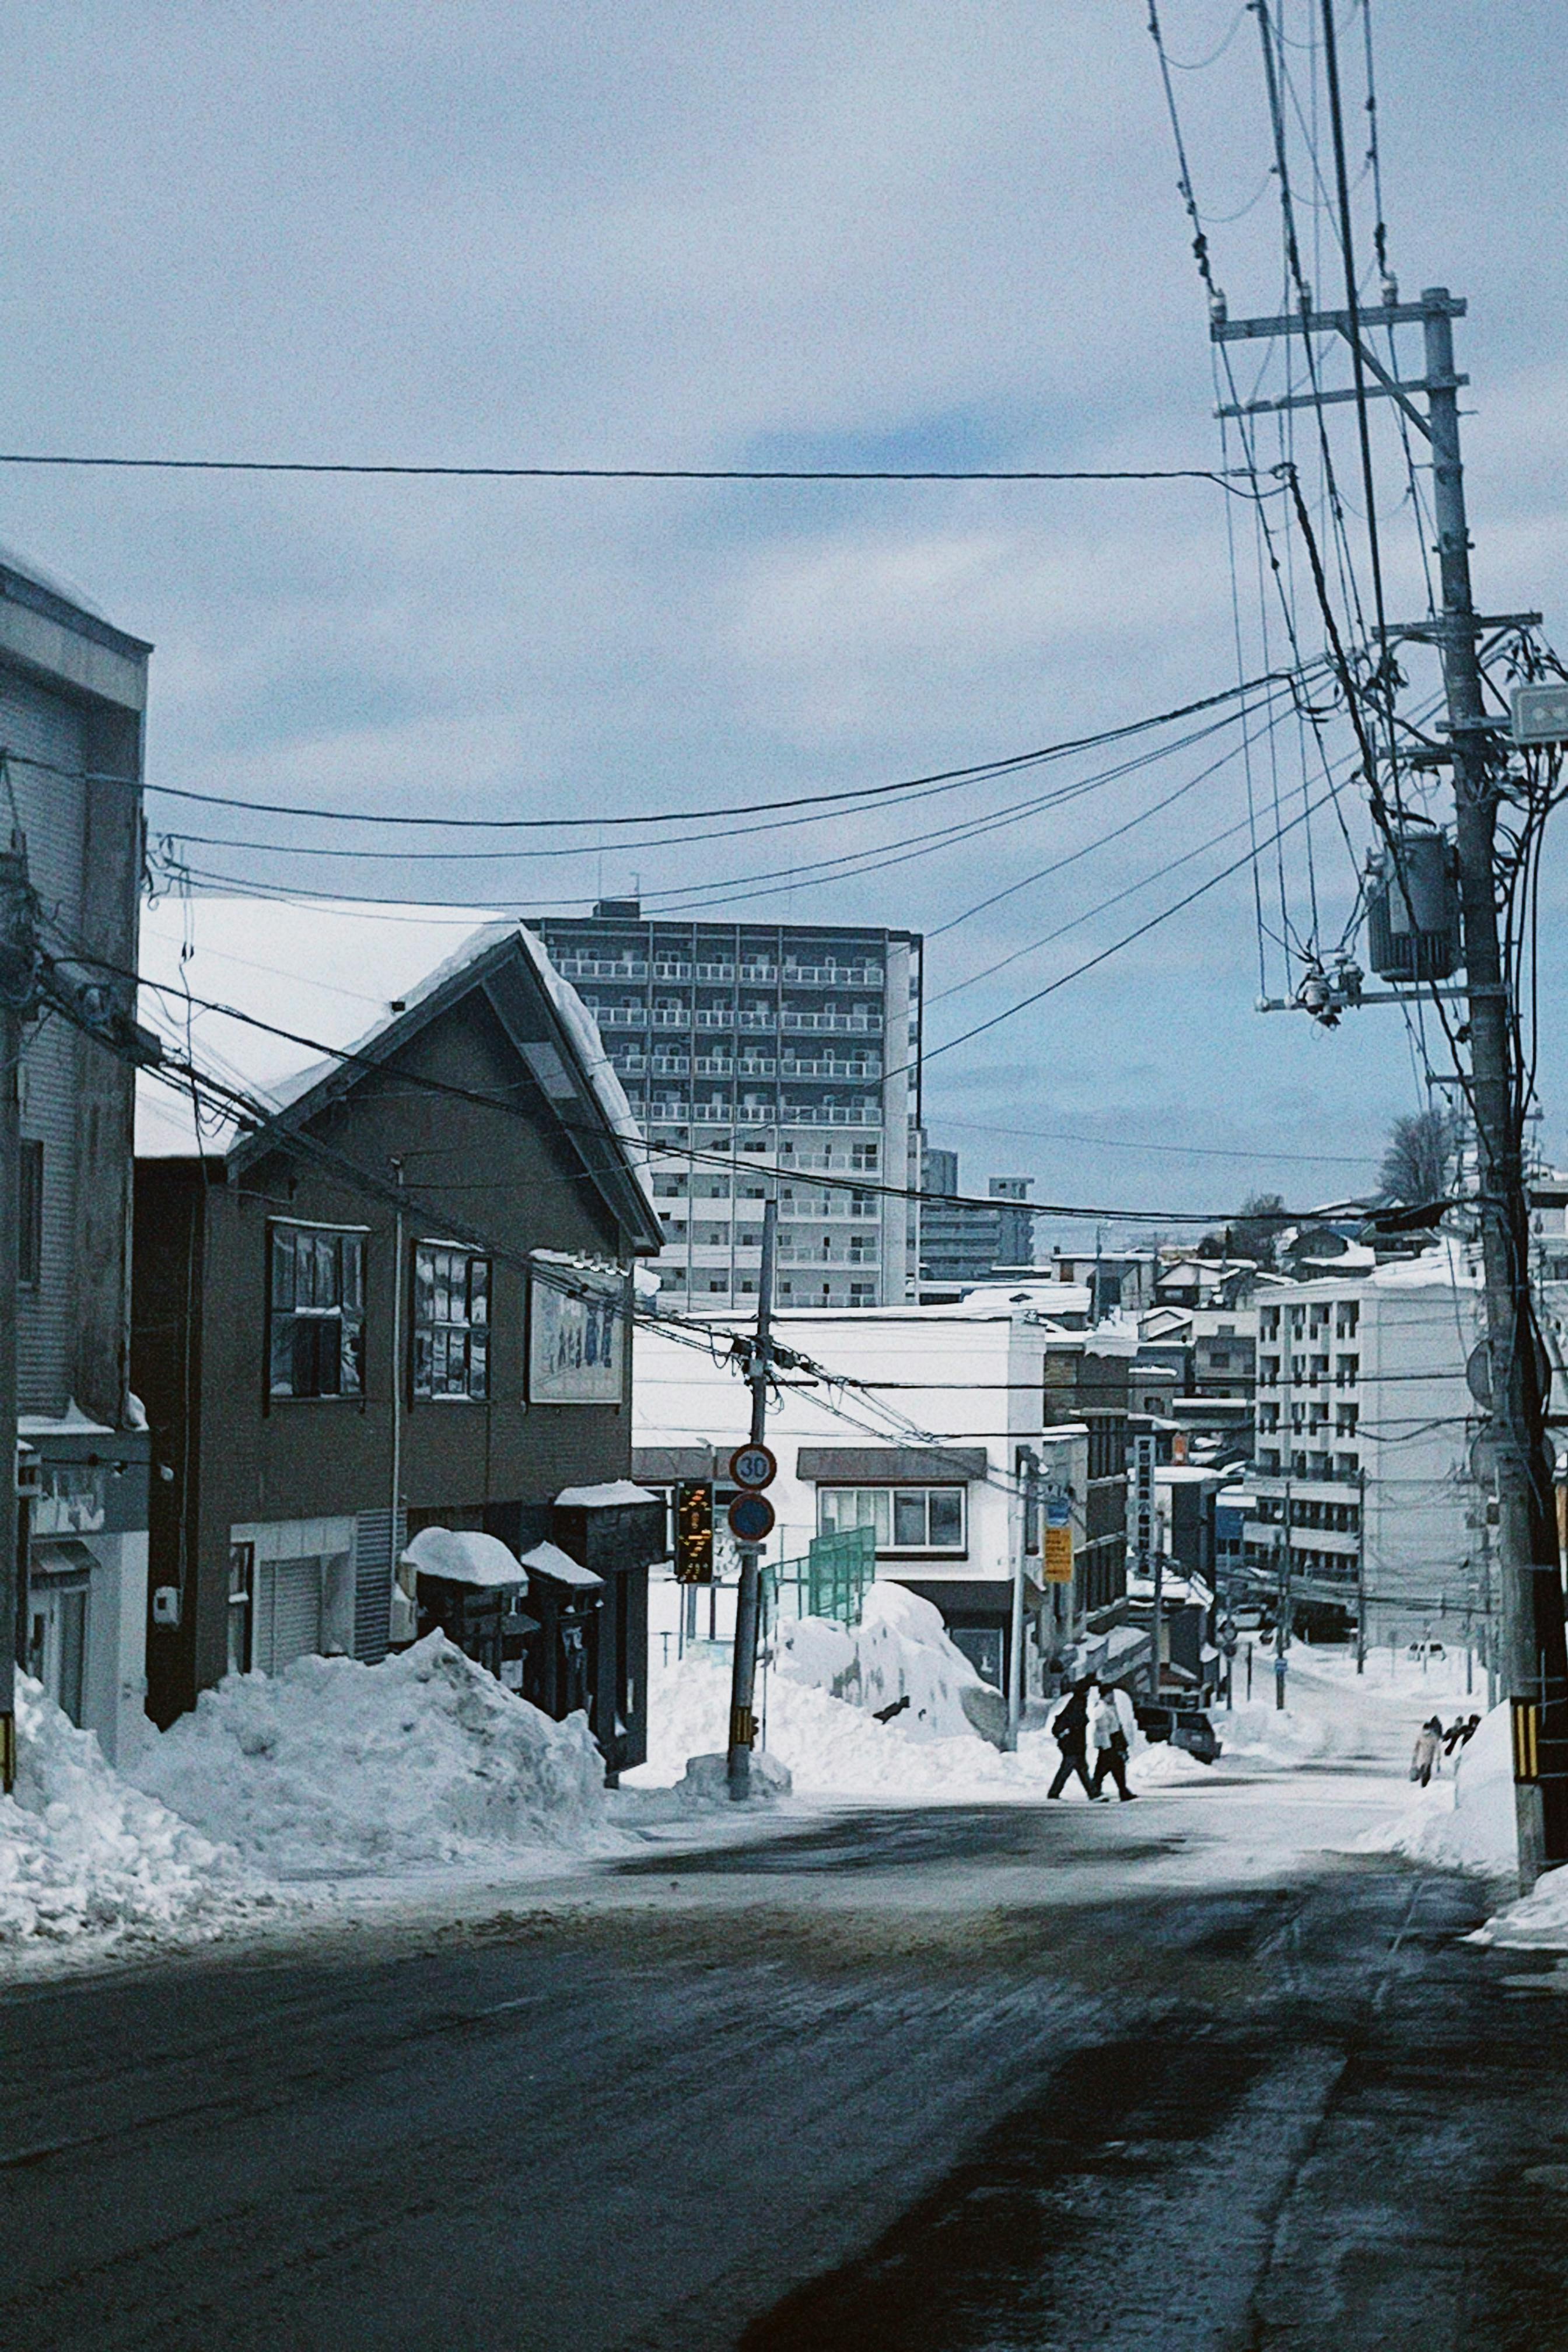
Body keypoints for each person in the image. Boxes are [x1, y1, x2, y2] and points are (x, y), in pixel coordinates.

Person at [1048, 1676, 1096, 1800]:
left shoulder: (1076, 1702)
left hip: (1074, 1743)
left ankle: (1092, 1792)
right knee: (1068, 1769)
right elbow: (1076, 1724)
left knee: (1080, 1769)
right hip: (1073, 1744)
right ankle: (1054, 1793)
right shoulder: (1078, 1704)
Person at [1088, 1684, 1138, 1803]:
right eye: (1110, 1695)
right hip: (1109, 1741)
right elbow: (1102, 1729)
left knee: (1115, 1767)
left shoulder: (1110, 1707)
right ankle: (1097, 1789)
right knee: (1107, 1768)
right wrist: (1107, 1745)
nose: (1113, 1697)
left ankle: (1121, 1790)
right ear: (1105, 1696)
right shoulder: (1101, 1709)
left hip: (1113, 1740)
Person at [1410, 1716, 1444, 1787]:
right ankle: (1423, 1782)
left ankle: (1425, 1783)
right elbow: (1417, 1746)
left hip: (1429, 1757)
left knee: (1427, 1770)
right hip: (1421, 1756)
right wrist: (1415, 1755)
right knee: (1423, 1769)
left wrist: (1438, 1757)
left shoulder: (1433, 1737)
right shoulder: (1421, 1736)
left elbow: (1437, 1747)